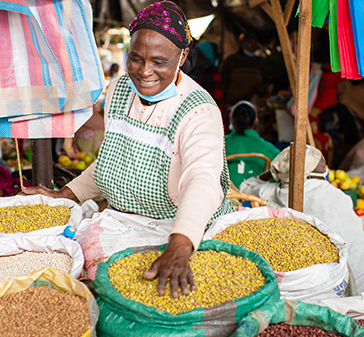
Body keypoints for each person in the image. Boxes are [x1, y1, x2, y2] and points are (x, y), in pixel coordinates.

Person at [22, 1, 235, 298]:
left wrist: (181, 243)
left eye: (159, 61)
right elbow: (115, 157)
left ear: (182, 55)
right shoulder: (121, 90)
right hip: (129, 222)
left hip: (184, 229)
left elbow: (202, 179)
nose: (145, 71)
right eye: (136, 58)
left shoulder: (198, 110)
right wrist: (65, 195)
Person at [240, 145, 364, 295]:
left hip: (325, 283)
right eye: (322, 166)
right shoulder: (337, 195)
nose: (326, 169)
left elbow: (246, 186)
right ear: (308, 174)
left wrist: (274, 173)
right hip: (360, 279)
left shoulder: (274, 192)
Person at [225, 100, 280, 187]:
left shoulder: (219, 145)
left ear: (232, 121)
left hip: (226, 198)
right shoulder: (272, 151)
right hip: (257, 199)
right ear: (256, 121)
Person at [221, 32, 268, 106]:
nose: (253, 45)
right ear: (242, 44)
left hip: (253, 104)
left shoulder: (259, 62)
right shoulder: (231, 60)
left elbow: (265, 82)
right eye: (250, 42)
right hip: (232, 103)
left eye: (255, 43)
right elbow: (223, 81)